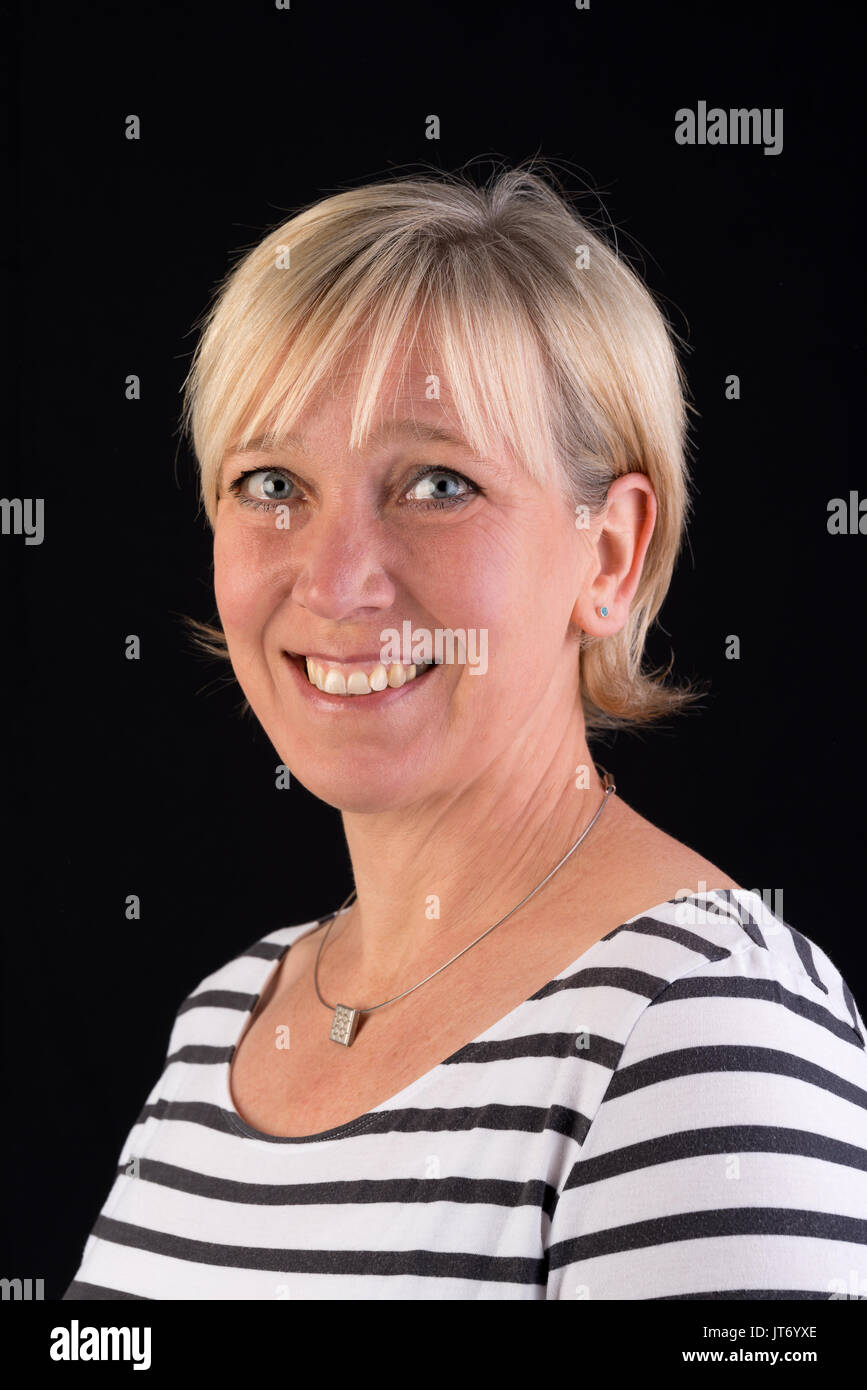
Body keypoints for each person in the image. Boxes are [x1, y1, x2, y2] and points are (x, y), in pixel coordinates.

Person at [64, 164, 867, 1300]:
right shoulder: (225, 1018)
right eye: (272, 481)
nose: (338, 581)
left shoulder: (706, 1035)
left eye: (438, 482)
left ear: (609, 554)